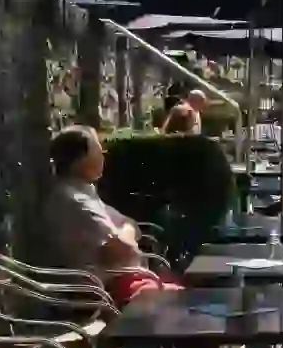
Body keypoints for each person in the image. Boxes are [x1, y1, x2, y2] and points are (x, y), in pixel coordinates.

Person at [43, 127, 182, 305]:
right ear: (79, 160)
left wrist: (127, 228)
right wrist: (128, 230)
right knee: (188, 301)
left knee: (193, 291)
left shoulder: (83, 192)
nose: (103, 156)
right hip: (109, 289)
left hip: (127, 279)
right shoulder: (73, 200)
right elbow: (122, 248)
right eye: (98, 151)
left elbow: (129, 226)